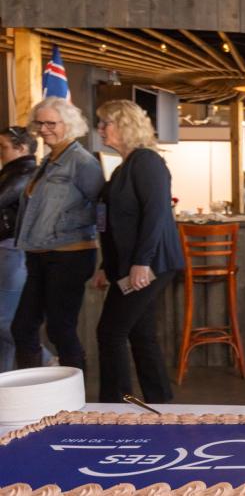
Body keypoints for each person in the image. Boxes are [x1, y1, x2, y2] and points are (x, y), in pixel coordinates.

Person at [91, 100, 184, 403]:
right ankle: (161, 402)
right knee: (140, 334)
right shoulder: (125, 166)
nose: (100, 129)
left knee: (110, 331)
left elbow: (156, 214)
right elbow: (118, 222)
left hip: (151, 264)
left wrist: (141, 263)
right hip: (134, 264)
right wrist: (108, 265)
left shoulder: (146, 161)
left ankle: (113, 405)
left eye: (106, 123)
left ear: (125, 125)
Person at [13, 98, 104, 370]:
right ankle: (34, 393)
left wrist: (68, 222)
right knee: (23, 327)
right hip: (39, 254)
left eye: (51, 123)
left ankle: (78, 398)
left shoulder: (81, 161)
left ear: (69, 124)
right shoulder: (48, 160)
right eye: (39, 122)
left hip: (70, 255)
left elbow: (102, 208)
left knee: (60, 329)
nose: (43, 129)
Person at [0, 126, 38, 372]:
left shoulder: (24, 173)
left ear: (21, 147)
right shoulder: (14, 172)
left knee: (6, 321)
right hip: (10, 248)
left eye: (4, 147)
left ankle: (43, 361)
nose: (0, 152)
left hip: (13, 249)